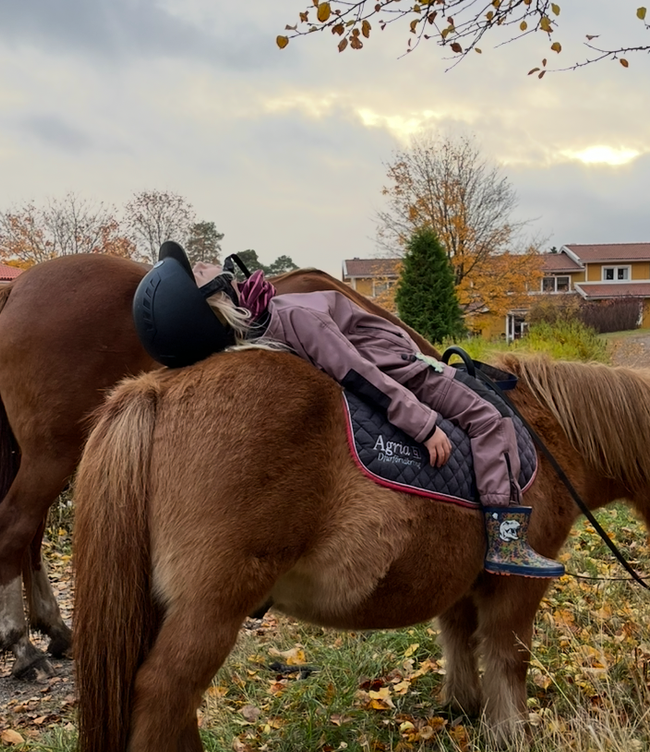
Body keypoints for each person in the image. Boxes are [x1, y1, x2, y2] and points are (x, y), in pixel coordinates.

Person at [133, 246, 564, 579]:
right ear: (217, 296)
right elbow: (358, 372)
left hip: (391, 360)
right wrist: (423, 423)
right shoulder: (294, 316)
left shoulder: (259, 330)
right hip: (403, 370)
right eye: (197, 272)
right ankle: (505, 540)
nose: (202, 262)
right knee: (490, 420)